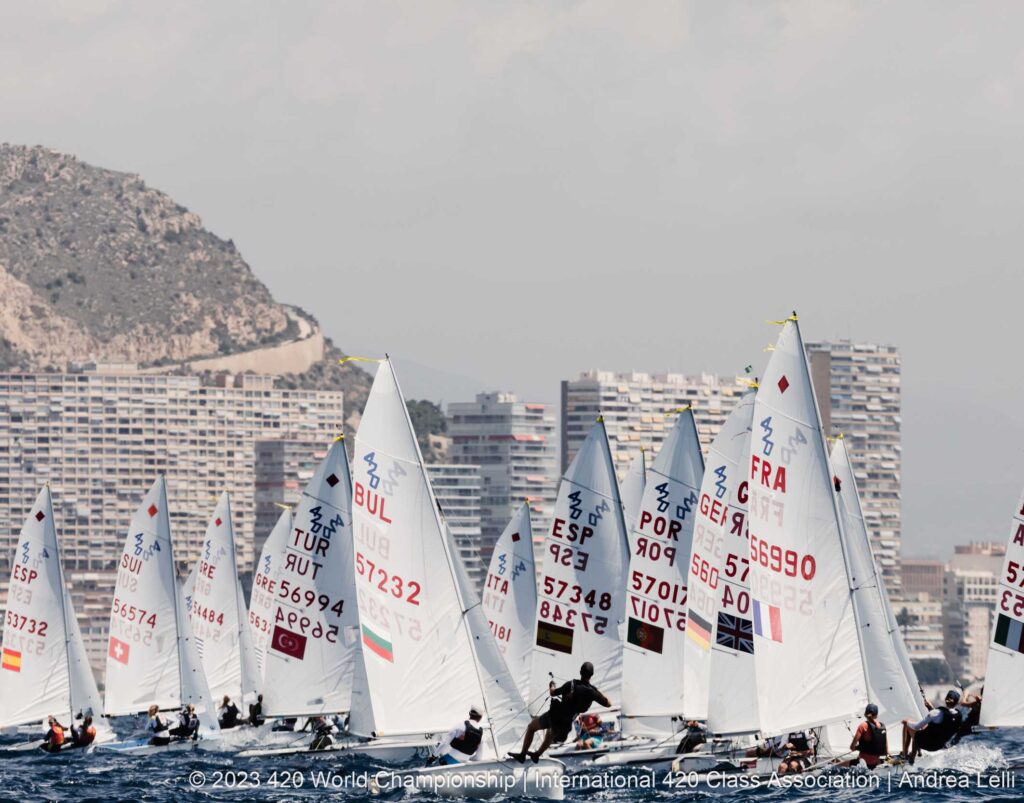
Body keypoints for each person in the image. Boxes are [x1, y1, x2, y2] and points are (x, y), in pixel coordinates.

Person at [509, 662, 611, 763]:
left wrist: (552, 685)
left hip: (554, 715)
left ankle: (522, 755)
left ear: (580, 672)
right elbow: (608, 703)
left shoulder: (571, 684)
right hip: (566, 723)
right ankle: (537, 755)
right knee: (550, 733)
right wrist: (596, 690)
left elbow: (553, 693)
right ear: (592, 675)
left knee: (531, 727)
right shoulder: (592, 692)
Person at [901, 689, 963, 764]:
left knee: (909, 725)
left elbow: (916, 726)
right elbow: (943, 720)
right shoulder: (958, 716)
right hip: (939, 746)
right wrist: (930, 708)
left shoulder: (936, 713)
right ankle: (917, 754)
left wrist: (906, 723)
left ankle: (906, 756)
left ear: (945, 699)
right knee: (921, 731)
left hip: (927, 744)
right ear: (957, 702)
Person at [850, 704, 888, 769]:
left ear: (865, 714)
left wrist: (857, 747)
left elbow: (852, 747)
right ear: (876, 715)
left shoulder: (863, 726)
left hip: (864, 764)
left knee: (846, 764)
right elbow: (886, 749)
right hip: (876, 763)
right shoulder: (882, 726)